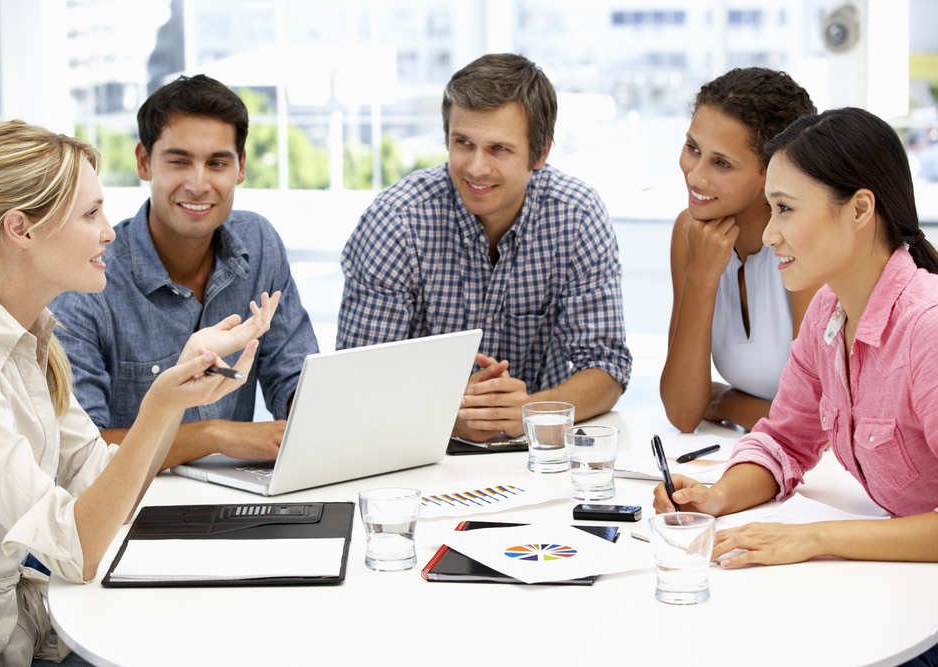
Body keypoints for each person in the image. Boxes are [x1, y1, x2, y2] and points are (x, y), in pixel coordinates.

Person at [0, 120, 275, 665]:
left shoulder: (34, 337)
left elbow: (105, 487)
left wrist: (183, 384)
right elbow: (76, 550)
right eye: (90, 214)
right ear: (20, 230)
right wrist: (161, 404)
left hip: (22, 636)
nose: (110, 232)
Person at [653, 108, 938, 576]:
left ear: (861, 209)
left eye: (785, 209)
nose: (768, 234)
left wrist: (816, 537)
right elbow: (783, 441)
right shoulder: (829, 312)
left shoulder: (926, 328)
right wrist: (716, 496)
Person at [336, 53, 632, 442]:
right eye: (463, 143)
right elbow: (357, 382)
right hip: (411, 448)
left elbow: (607, 367)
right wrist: (449, 416)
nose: (476, 167)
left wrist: (529, 412)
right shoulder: (396, 221)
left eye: (499, 149)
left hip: (539, 451)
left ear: (540, 154)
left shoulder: (577, 215)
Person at [51, 74, 317, 468]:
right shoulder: (88, 278)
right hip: (131, 509)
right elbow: (81, 452)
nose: (198, 184)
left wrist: (312, 417)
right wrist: (215, 435)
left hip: (238, 497)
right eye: (179, 161)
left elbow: (294, 377)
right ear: (144, 162)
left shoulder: (260, 244)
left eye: (217, 163)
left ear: (240, 167)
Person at [660, 68, 820, 433]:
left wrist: (724, 401)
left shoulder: (807, 241)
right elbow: (683, 413)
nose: (695, 176)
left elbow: (818, 423)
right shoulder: (690, 232)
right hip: (754, 453)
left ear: (772, 170)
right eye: (693, 149)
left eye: (722, 163)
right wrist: (701, 276)